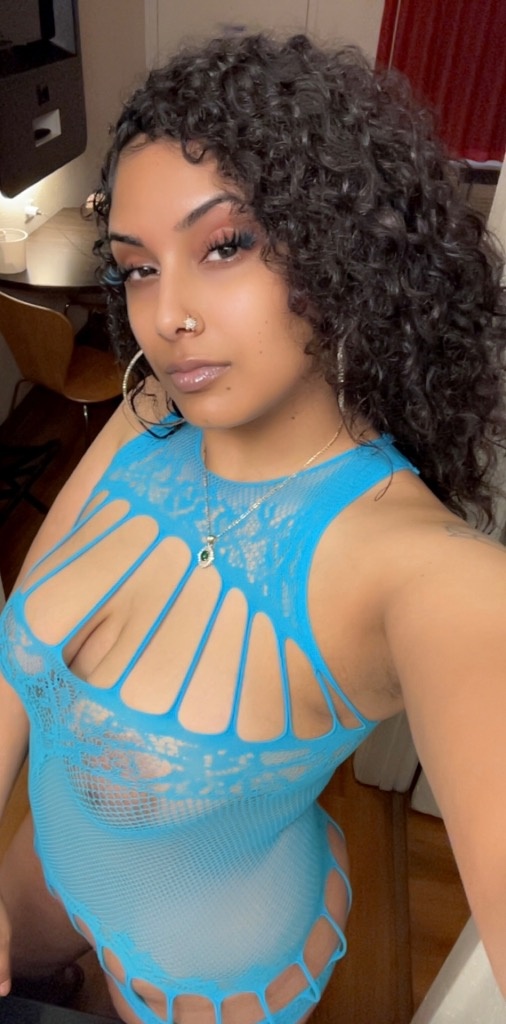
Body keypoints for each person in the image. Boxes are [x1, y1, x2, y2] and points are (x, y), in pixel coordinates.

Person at [0, 31, 505, 1024]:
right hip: (46, 869)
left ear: (341, 245)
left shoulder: (431, 576)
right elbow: (13, 659)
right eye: (137, 268)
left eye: (224, 245)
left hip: (205, 971)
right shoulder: (148, 415)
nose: (166, 316)